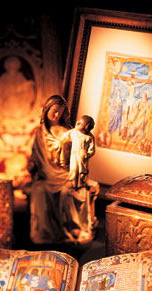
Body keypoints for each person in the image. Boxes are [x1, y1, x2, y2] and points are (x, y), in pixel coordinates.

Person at [27, 95, 99, 244]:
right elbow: (36, 154)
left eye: (60, 112)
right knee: (39, 191)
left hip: (68, 172)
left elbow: (79, 152)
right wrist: (32, 164)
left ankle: (74, 229)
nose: (57, 115)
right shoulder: (41, 134)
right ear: (46, 111)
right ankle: (46, 234)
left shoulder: (70, 131)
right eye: (54, 111)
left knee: (73, 190)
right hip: (47, 174)